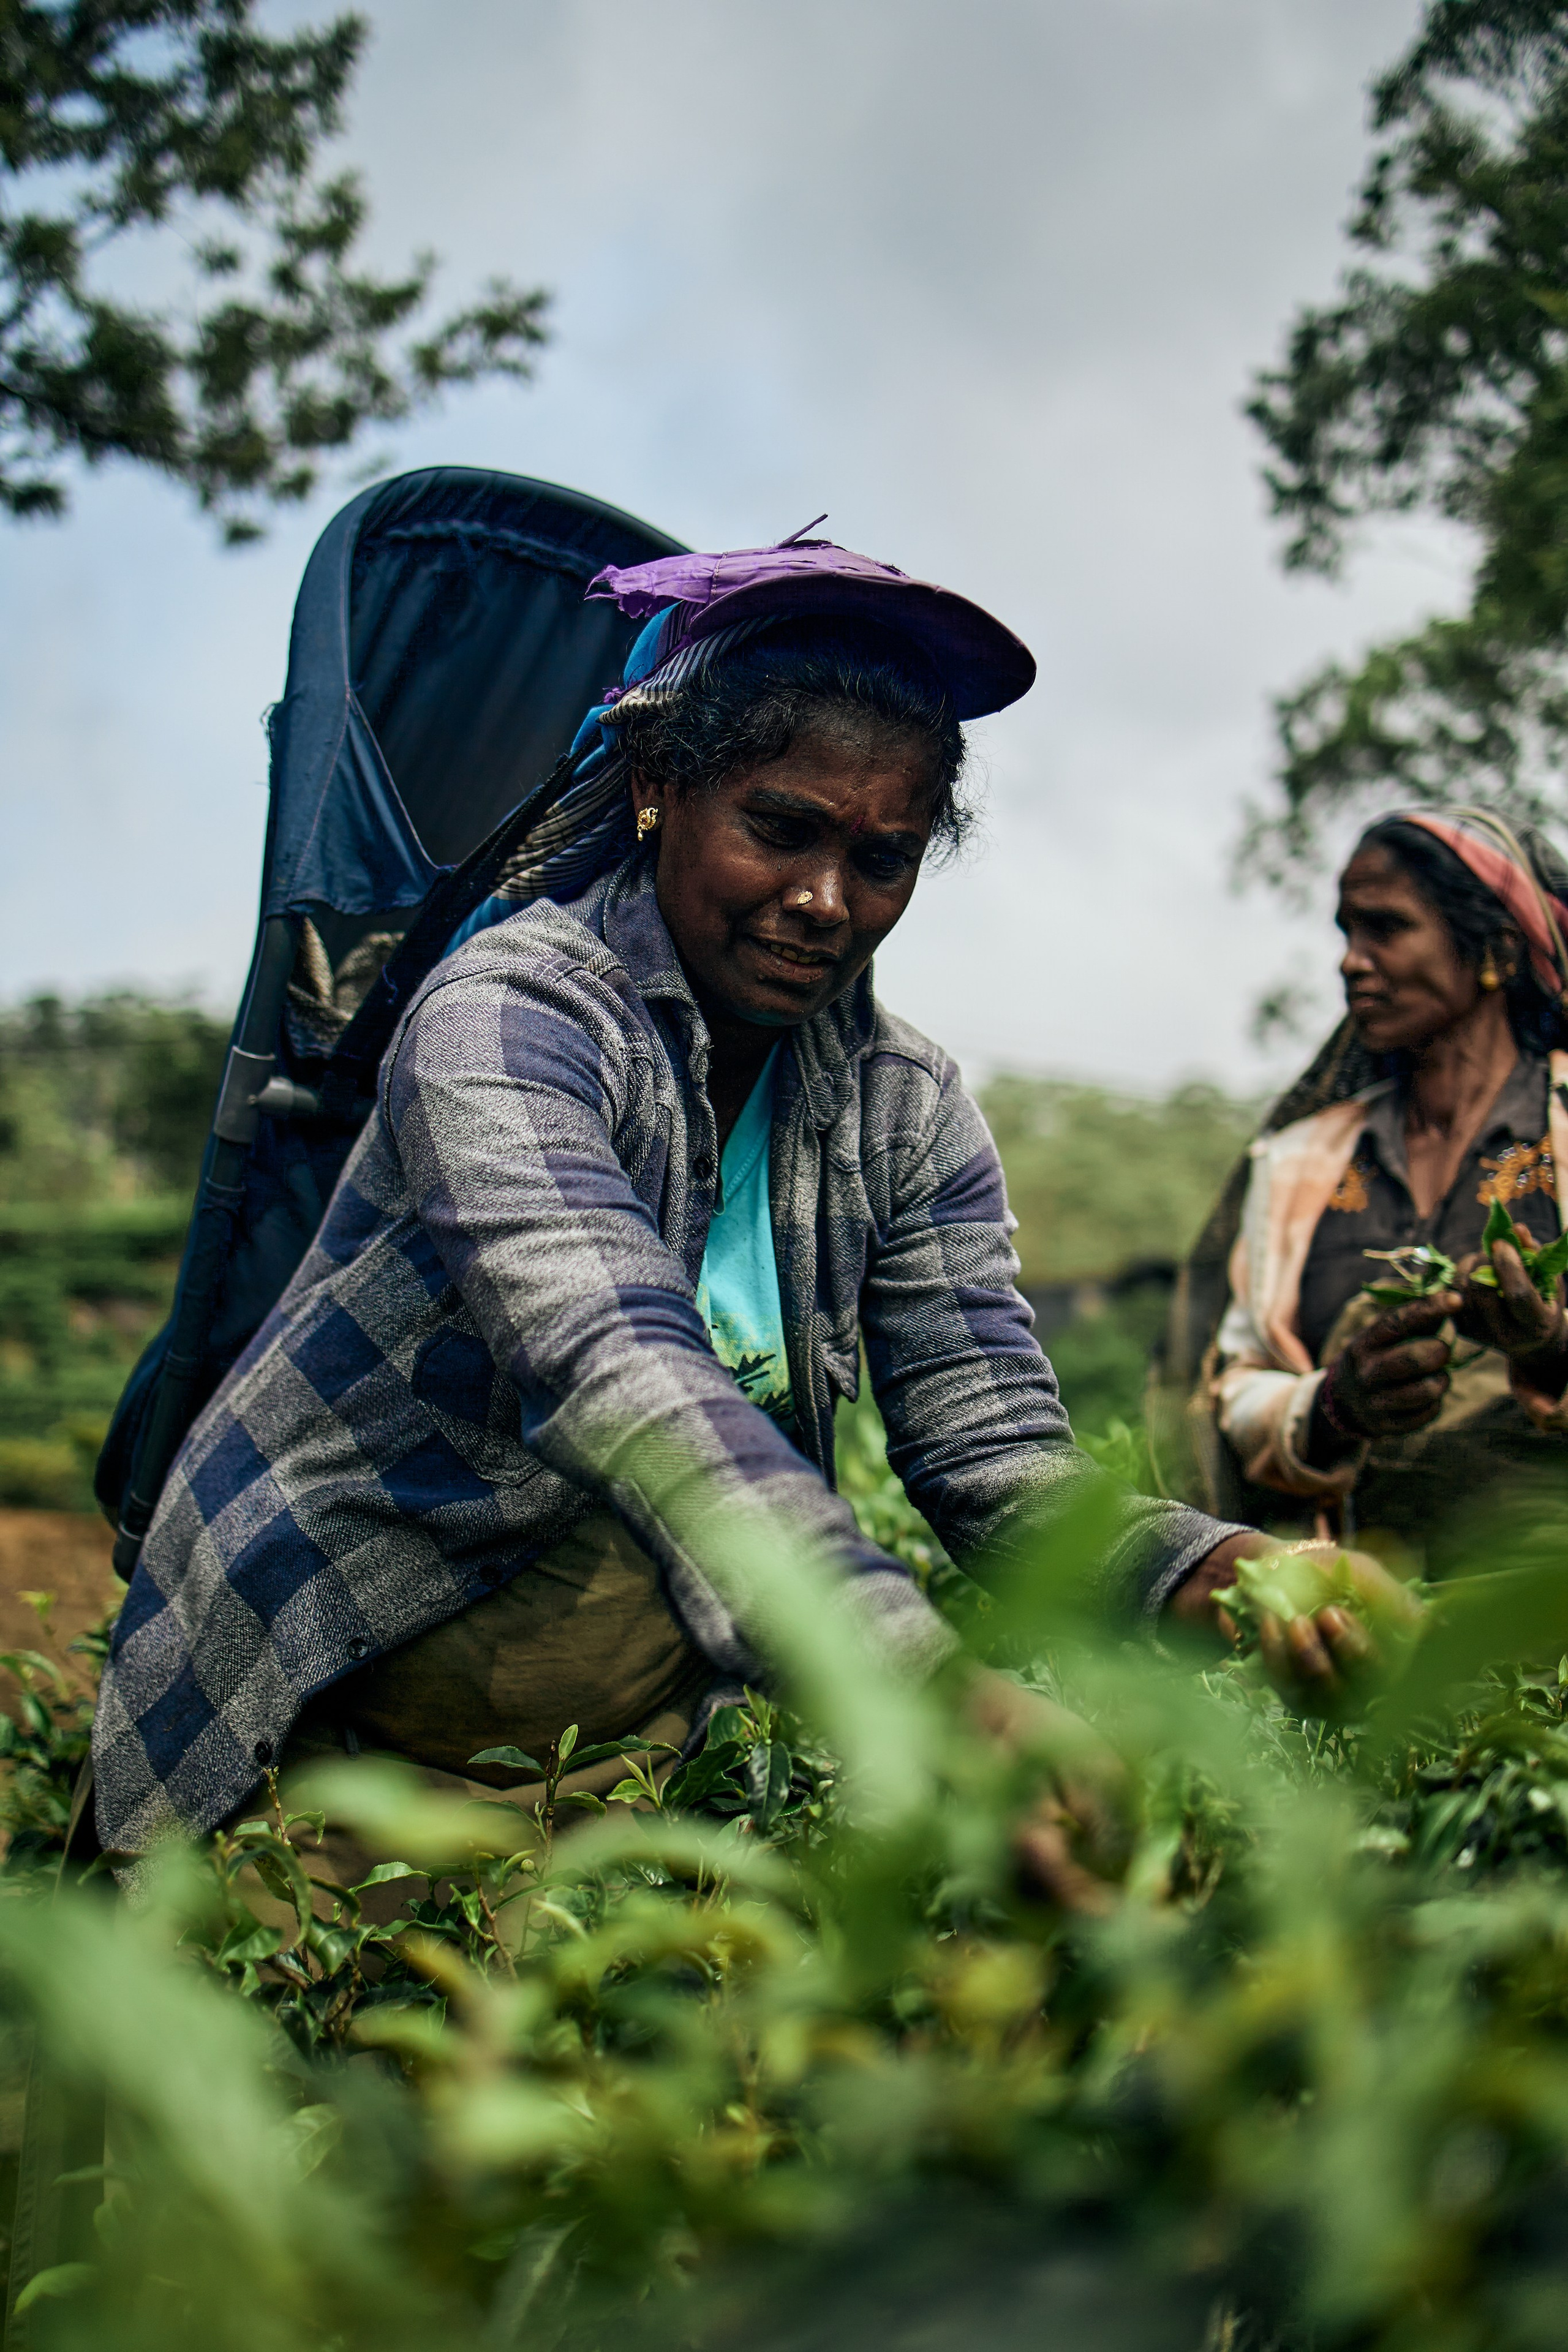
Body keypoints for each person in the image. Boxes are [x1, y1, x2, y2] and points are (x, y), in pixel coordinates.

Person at [90, 534, 1396, 1871]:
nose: (824, 901)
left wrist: (1219, 1570)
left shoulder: (902, 1110)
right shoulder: (512, 1016)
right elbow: (614, 1364)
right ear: (660, 786)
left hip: (629, 1765)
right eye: (779, 830)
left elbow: (993, 1454)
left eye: (882, 859)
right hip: (323, 1729)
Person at [1206, 807, 1568, 1572]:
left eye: (1386, 928)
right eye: (1346, 932)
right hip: (1352, 1595)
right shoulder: (1301, 1159)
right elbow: (1240, 1386)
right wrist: (1332, 1405)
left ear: (1497, 951)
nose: (1350, 961)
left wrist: (1548, 1349)